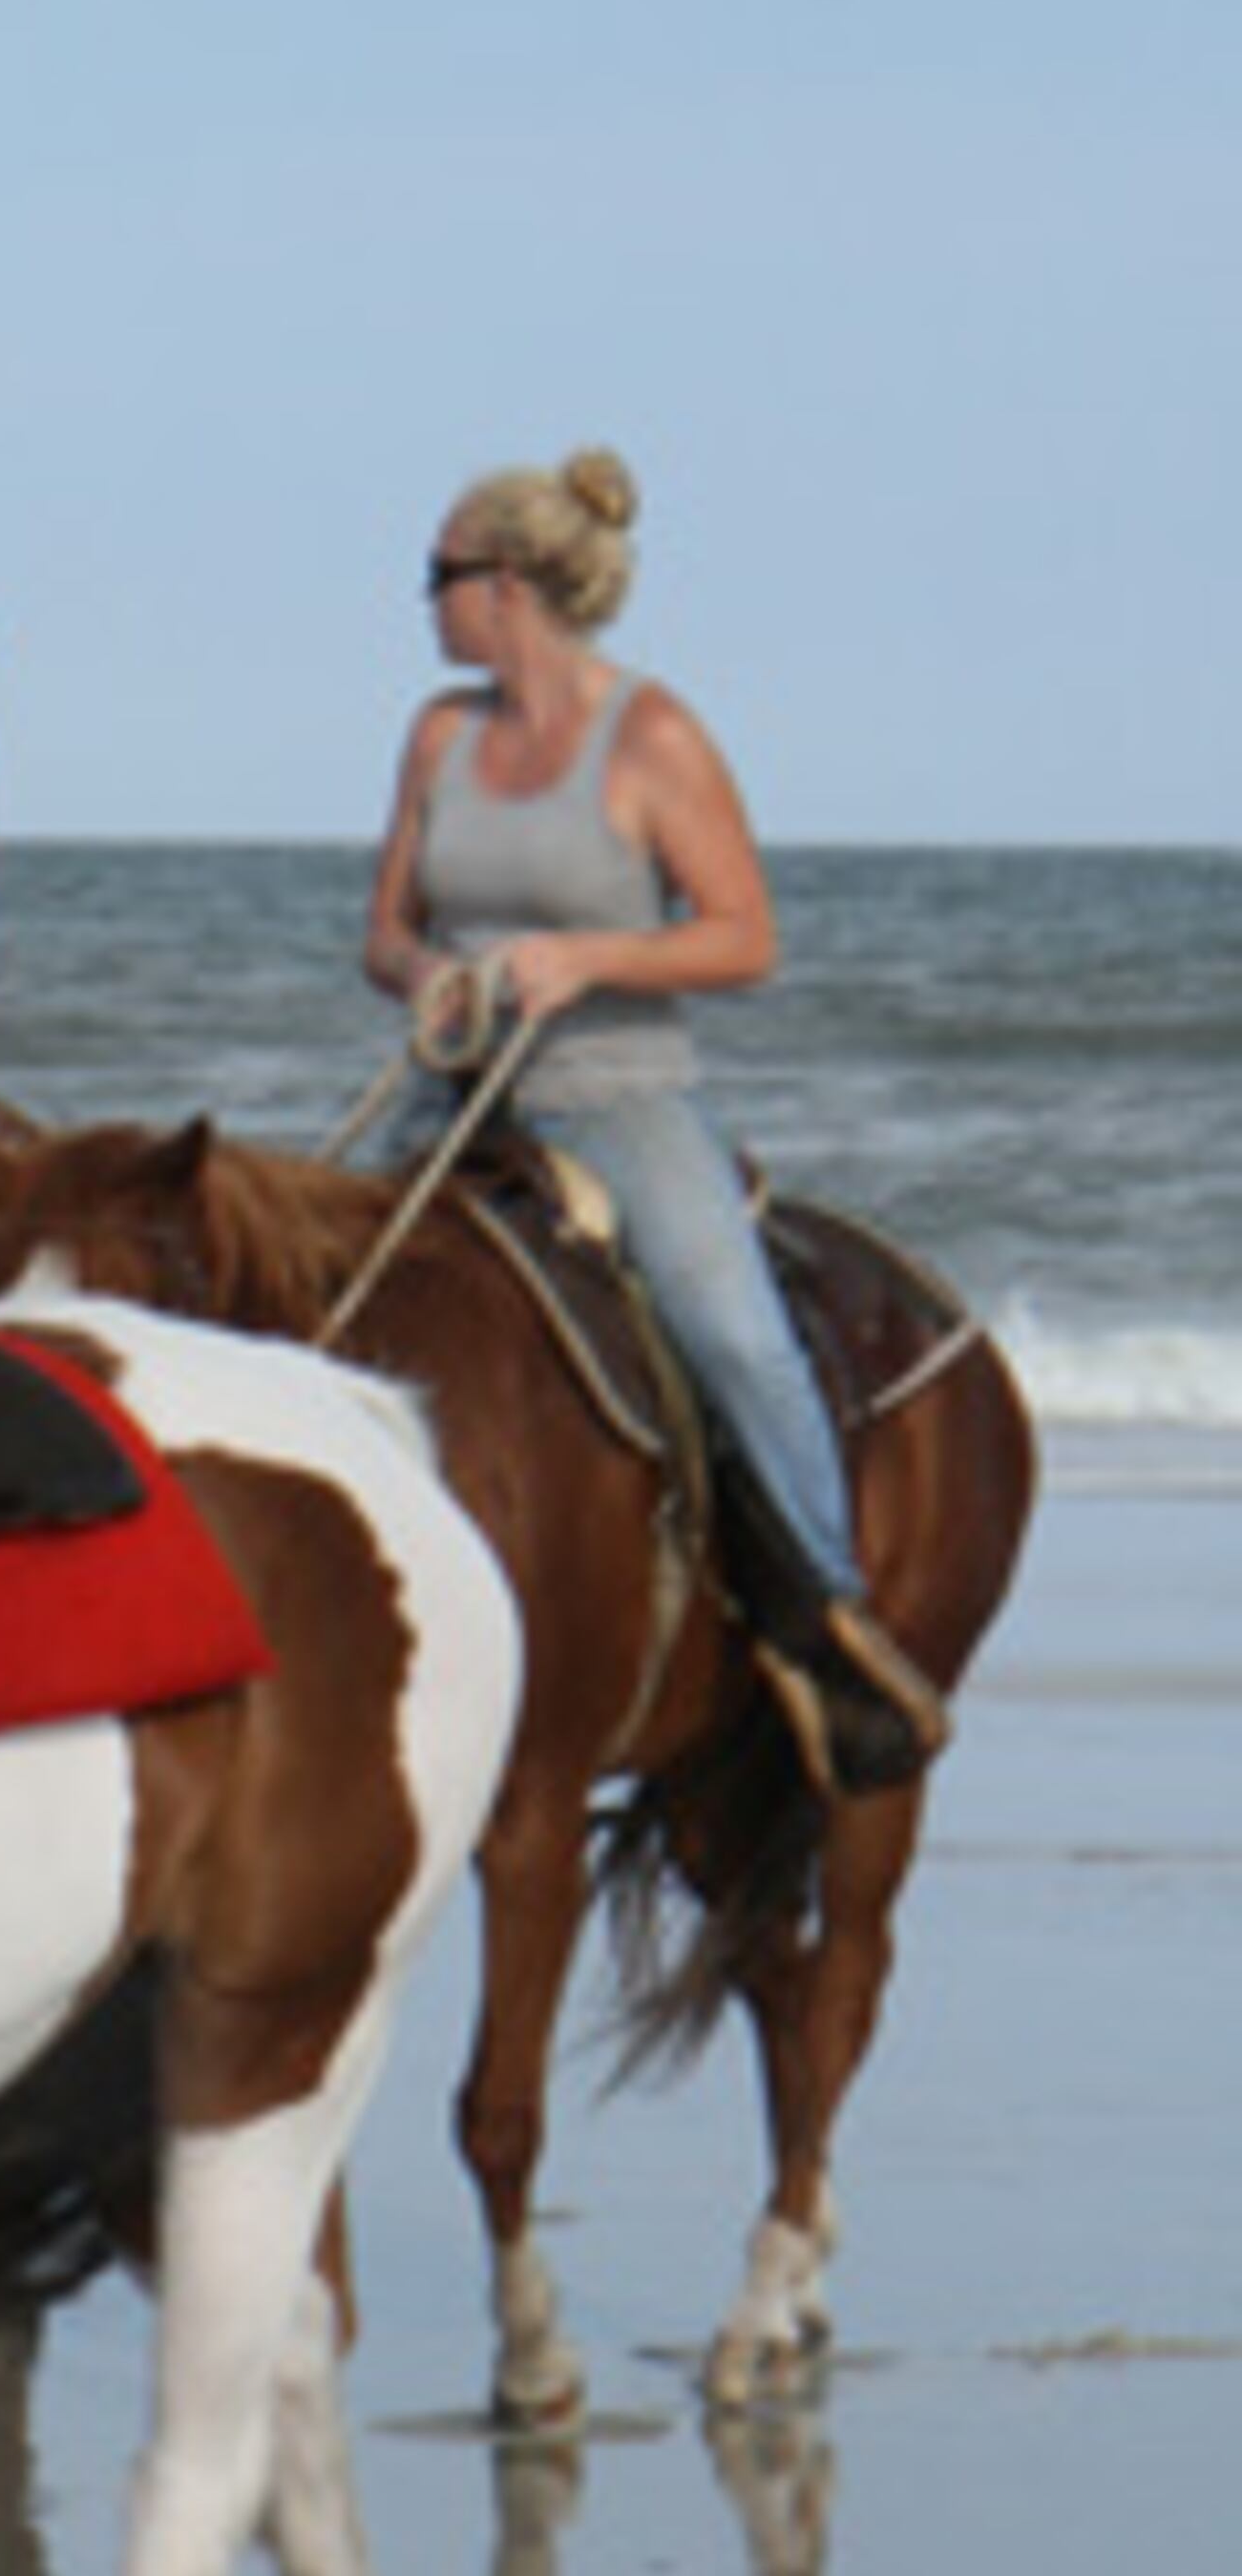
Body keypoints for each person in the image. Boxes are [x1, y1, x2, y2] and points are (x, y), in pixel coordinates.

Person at [364, 442, 950, 1781]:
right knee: (313, 1293)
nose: (427, 601)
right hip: (454, 1094)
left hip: (613, 1096)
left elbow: (745, 938)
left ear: (505, 585)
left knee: (733, 1334)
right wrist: (430, 974)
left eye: (438, 576)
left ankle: (827, 1618)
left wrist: (589, 959)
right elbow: (383, 932)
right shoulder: (438, 734)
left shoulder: (655, 737)